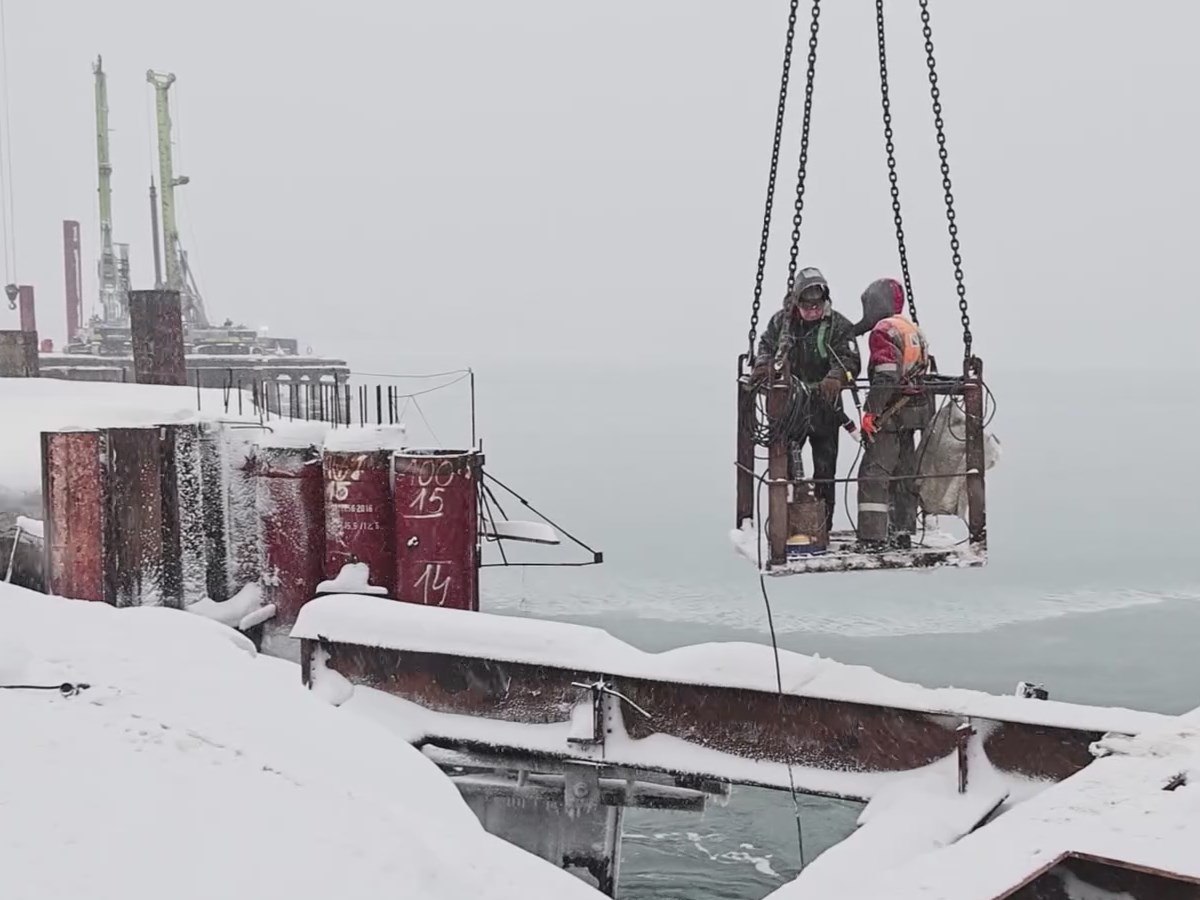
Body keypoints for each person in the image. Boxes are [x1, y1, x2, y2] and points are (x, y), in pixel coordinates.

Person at [753, 267, 861, 533]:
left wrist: (836, 378)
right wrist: (763, 366)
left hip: (827, 408)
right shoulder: (782, 324)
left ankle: (823, 527)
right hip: (792, 408)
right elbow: (766, 346)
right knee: (787, 468)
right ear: (796, 303)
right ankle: (788, 527)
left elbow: (850, 360)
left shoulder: (838, 326)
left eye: (817, 305)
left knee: (825, 471)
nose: (813, 311)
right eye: (806, 306)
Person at [855, 278, 931, 550]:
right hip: (914, 414)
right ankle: (903, 532)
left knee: (873, 475)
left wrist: (871, 411)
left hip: (892, 414)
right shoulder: (910, 328)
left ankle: (872, 538)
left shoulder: (883, 331)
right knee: (904, 473)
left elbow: (886, 376)